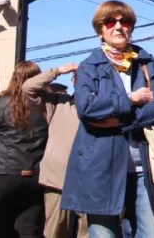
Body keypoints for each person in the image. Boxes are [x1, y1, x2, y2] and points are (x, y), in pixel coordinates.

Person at [61, 0, 154, 238]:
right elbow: (87, 108)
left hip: (146, 168)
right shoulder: (89, 67)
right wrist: (130, 99)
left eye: (126, 21)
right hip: (101, 167)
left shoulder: (147, 63)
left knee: (151, 234)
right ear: (100, 29)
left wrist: (121, 121)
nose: (119, 27)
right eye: (111, 22)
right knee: (103, 234)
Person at [0, 61, 49, 237]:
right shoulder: (45, 106)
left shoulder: (1, 103)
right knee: (30, 230)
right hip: (35, 175)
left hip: (3, 174)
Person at [23, 64, 88, 238]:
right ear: (73, 81)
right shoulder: (58, 102)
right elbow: (28, 88)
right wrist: (58, 71)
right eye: (79, 78)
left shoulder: (101, 108)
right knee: (55, 232)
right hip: (58, 180)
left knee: (88, 233)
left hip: (90, 182)